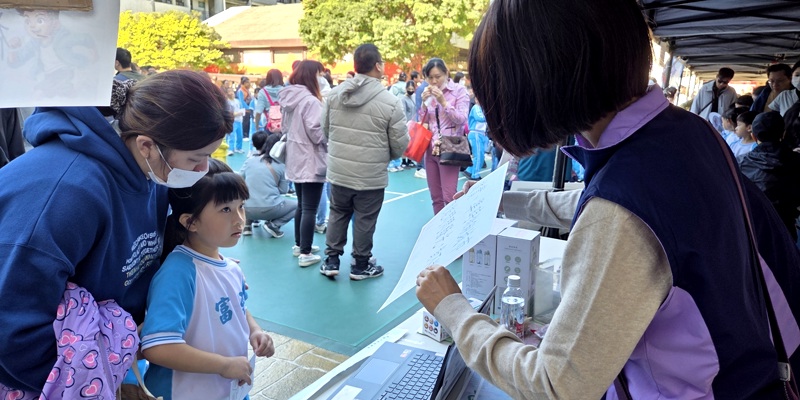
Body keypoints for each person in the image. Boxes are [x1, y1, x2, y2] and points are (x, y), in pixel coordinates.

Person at [415, 1, 800, 399]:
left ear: (540, 80)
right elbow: (597, 206)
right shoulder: (687, 133)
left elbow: (555, 383)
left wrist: (453, 309)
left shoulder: (621, 208)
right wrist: (502, 200)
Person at [0, 71, 231, 396]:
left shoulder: (150, 173)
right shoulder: (66, 193)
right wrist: (91, 382)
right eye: (196, 159)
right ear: (147, 145)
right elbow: (11, 328)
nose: (202, 170)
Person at [141, 159, 275, 400]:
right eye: (225, 209)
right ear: (189, 221)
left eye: (241, 206)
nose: (239, 219)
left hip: (228, 390)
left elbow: (238, 306)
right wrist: (223, 365)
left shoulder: (230, 267)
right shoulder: (178, 274)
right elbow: (157, 347)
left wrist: (255, 331)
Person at [319, 43, 409, 280]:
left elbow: (326, 130)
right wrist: (382, 155)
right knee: (365, 219)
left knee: (338, 212)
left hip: (339, 170)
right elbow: (399, 144)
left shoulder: (335, 95)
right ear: (378, 66)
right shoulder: (390, 102)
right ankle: (360, 264)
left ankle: (331, 260)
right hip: (370, 174)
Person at [280, 60, 327, 267]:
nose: (321, 78)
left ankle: (300, 244)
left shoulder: (289, 98)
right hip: (311, 159)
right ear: (311, 76)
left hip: (295, 158)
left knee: (302, 205)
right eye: (319, 74)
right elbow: (318, 134)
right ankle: (306, 253)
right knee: (310, 208)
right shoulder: (311, 101)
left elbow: (283, 128)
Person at [419, 58, 470, 214]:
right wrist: (423, 104)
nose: (434, 81)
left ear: (446, 73)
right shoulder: (427, 93)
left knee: (449, 196)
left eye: (438, 76)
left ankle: (452, 230)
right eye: (430, 77)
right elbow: (423, 121)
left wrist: (443, 101)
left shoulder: (459, 91)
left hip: (450, 146)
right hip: (430, 148)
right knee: (436, 197)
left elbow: (461, 119)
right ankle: (439, 230)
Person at [739, 111, 800, 241]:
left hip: (752, 230)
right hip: (786, 228)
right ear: (783, 133)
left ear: (754, 136)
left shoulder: (740, 163)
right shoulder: (796, 161)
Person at [239, 131, 296, 237]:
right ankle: (273, 225)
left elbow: (240, 178)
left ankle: (247, 225)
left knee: (252, 191)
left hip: (246, 208)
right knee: (298, 206)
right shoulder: (281, 166)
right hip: (270, 208)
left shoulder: (250, 160)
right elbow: (283, 190)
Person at [464, 99, 488, 180]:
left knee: (480, 156)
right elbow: (480, 118)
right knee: (478, 155)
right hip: (476, 133)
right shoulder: (476, 107)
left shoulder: (481, 108)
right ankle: (475, 176)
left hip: (480, 134)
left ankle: (469, 170)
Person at [226, 87, 245, 155]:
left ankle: (239, 148)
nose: (231, 93)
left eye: (232, 92)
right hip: (232, 121)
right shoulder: (227, 102)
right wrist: (237, 113)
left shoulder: (237, 101)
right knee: (231, 135)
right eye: (229, 92)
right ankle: (230, 149)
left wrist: (241, 113)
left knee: (240, 135)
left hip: (239, 120)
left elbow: (240, 108)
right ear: (227, 94)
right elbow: (229, 112)